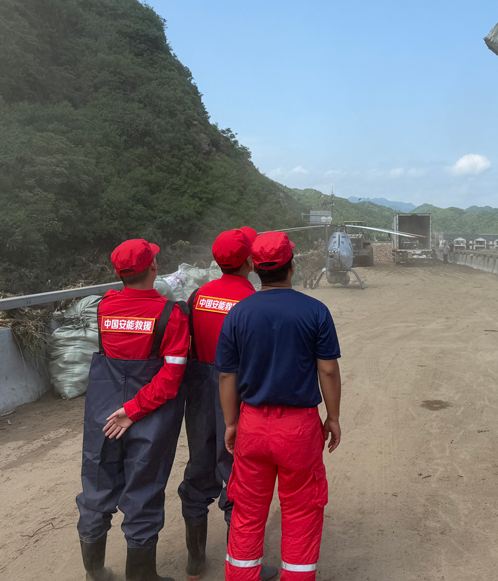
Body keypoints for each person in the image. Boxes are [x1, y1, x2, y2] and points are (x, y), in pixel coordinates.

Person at [216, 232, 342, 581]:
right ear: (292, 265)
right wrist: (332, 418)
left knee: (247, 513)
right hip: (299, 429)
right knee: (301, 512)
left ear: (255, 268)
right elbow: (328, 369)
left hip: (252, 424)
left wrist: (231, 423)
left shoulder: (238, 314)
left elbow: (227, 376)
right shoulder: (315, 311)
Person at [76, 239, 190, 581]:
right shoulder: (172, 315)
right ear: (154, 268)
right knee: (143, 489)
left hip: (103, 411)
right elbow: (171, 377)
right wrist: (135, 408)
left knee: (97, 485)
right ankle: (141, 577)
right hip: (149, 413)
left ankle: (95, 572)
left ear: (117, 273)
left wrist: (123, 408)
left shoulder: (105, 307)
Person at [178, 229, 277, 581]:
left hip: (200, 392)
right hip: (239, 393)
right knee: (240, 475)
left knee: (200, 467)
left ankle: (195, 561)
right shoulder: (254, 301)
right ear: (250, 261)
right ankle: (242, 565)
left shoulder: (197, 296)